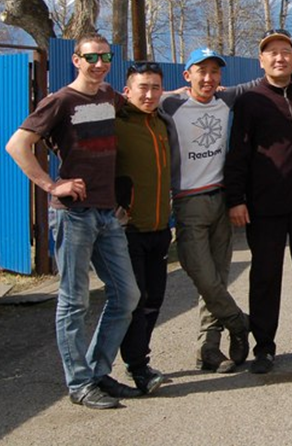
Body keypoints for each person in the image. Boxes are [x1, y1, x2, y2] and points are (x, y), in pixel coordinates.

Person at [5, 34, 140, 410]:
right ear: (76, 61)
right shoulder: (60, 101)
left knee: (126, 295)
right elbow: (17, 145)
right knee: (74, 300)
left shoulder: (108, 96)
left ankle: (97, 371)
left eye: (105, 57)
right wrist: (52, 183)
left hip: (107, 212)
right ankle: (79, 383)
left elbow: (142, 98)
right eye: (91, 57)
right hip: (73, 215)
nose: (99, 63)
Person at [224, 29, 292, 374]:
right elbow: (236, 153)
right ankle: (264, 347)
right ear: (262, 61)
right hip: (264, 207)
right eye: (272, 53)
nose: (279, 57)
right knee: (265, 278)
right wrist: (235, 199)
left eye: (286, 52)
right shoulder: (250, 100)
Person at [160, 47, 251, 374]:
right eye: (202, 71)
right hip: (188, 202)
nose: (209, 78)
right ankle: (239, 322)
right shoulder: (170, 104)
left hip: (221, 200)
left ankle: (208, 348)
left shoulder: (227, 100)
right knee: (202, 275)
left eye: (215, 72)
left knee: (218, 277)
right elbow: (131, 97)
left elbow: (268, 80)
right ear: (187, 75)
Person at [115, 61, 173, 395]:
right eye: (142, 87)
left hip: (160, 227)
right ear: (127, 91)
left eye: (155, 87)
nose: (149, 94)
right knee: (133, 301)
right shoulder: (115, 123)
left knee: (154, 299)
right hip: (128, 229)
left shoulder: (162, 123)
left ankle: (140, 360)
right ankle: (137, 366)